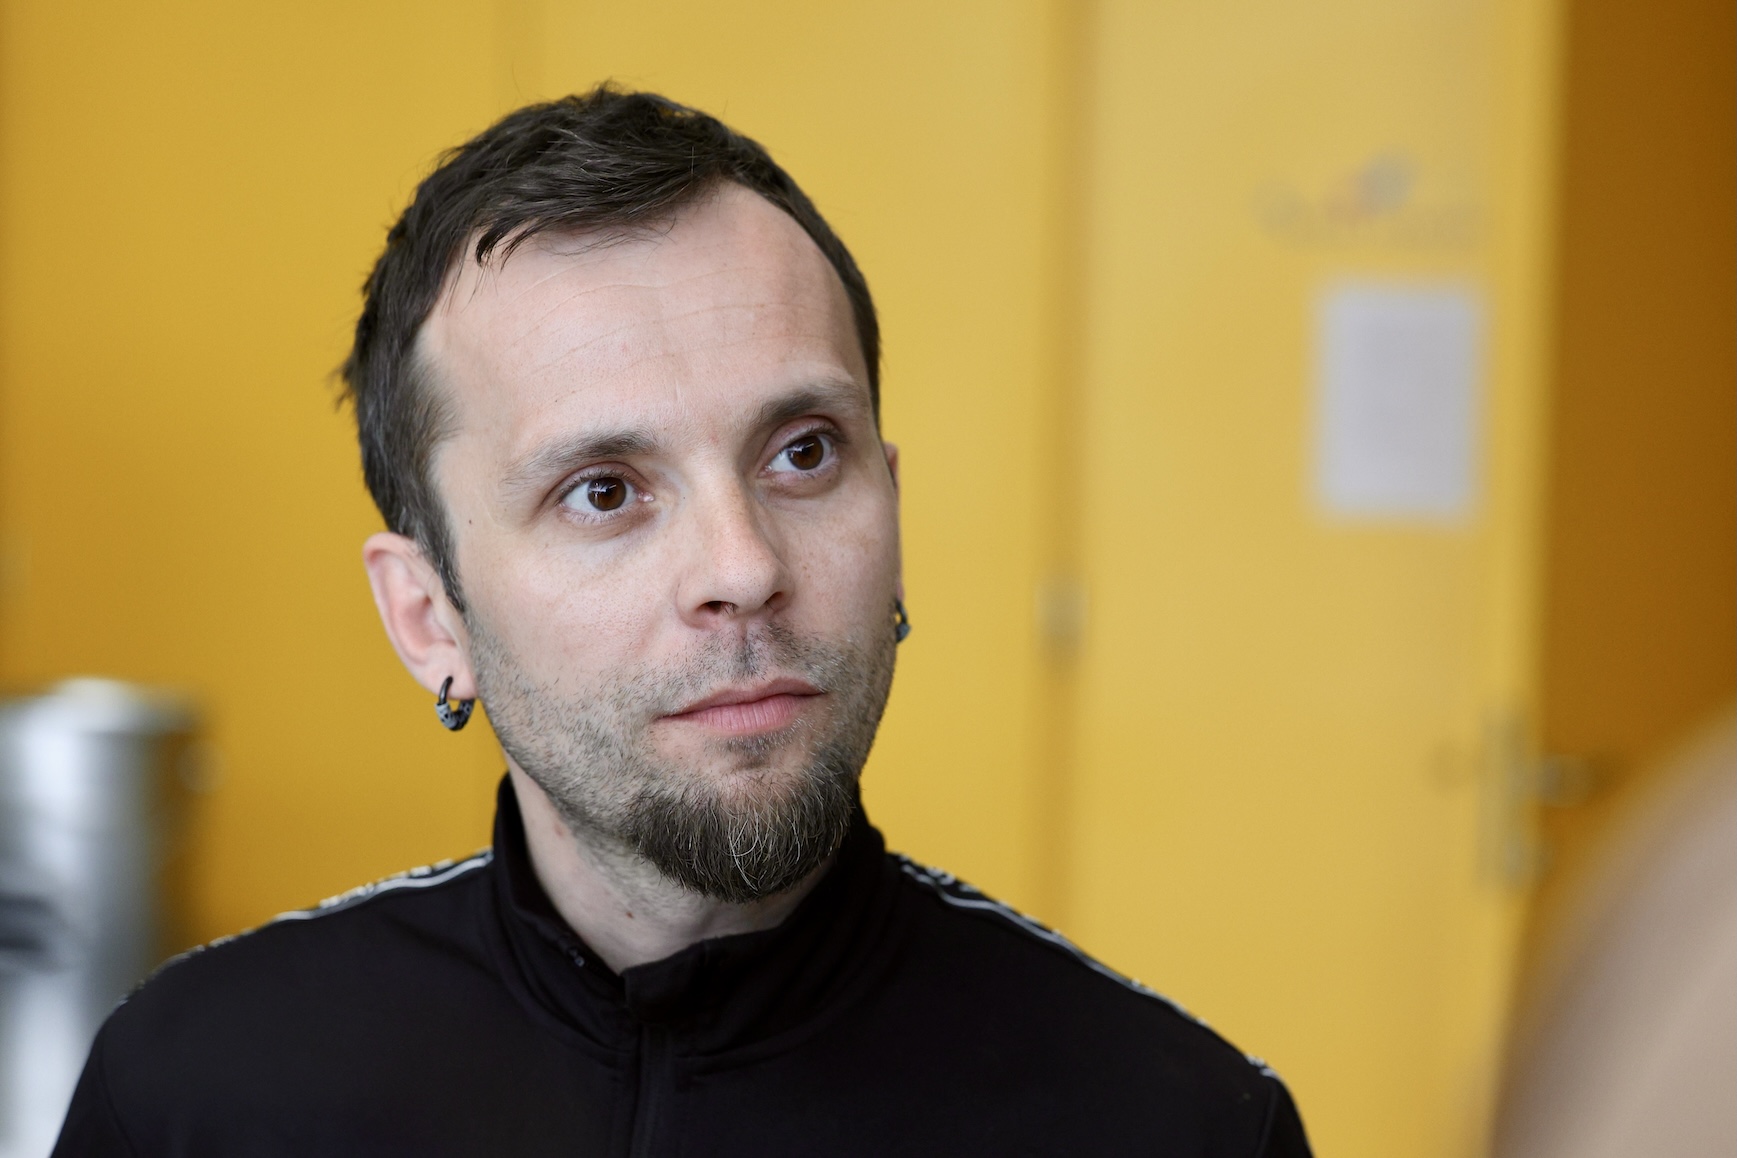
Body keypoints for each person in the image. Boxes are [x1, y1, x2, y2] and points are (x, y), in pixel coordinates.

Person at [53, 87, 1311, 1156]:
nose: (744, 567)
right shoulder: (192, 1096)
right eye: (604, 491)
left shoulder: (1181, 1125)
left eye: (803, 452)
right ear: (428, 617)